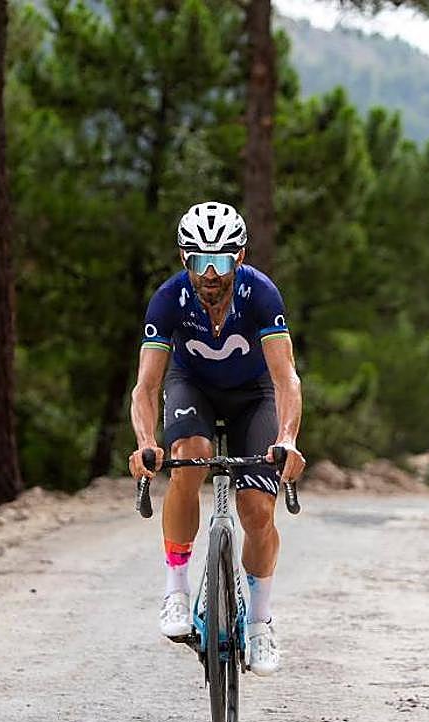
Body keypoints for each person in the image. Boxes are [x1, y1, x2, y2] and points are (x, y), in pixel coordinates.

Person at [128, 201, 305, 676]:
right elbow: (145, 386)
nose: (210, 273)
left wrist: (287, 439)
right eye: (199, 261)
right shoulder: (168, 300)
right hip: (193, 389)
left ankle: (261, 621)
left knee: (256, 510)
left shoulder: (262, 295)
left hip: (254, 397)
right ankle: (176, 591)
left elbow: (286, 379)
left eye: (221, 261)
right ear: (184, 260)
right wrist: (146, 441)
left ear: (240, 258)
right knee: (191, 457)